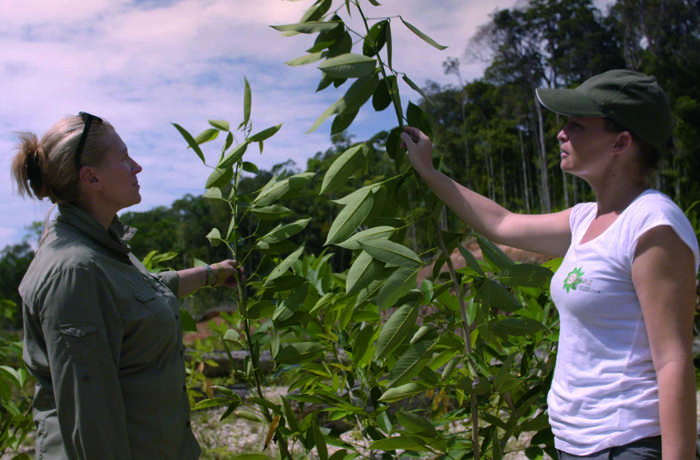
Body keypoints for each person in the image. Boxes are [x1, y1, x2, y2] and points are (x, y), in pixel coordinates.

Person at [401, 69, 699, 459]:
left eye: (577, 125)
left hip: (627, 443)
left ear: (621, 142)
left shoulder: (652, 226)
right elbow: (501, 223)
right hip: (576, 443)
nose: (561, 133)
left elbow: (674, 360)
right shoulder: (584, 219)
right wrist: (429, 170)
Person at [11, 112, 241, 459]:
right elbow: (92, 422)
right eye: (124, 157)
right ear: (91, 177)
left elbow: (137, 295)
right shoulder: (74, 272)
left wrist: (211, 273)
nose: (137, 167)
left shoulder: (102, 247)